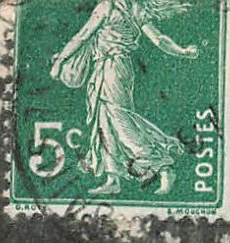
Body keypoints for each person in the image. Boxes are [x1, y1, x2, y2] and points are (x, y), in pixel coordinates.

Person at [49, 0, 198, 196]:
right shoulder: (136, 9)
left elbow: (83, 35)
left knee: (120, 122)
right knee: (104, 122)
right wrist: (183, 52)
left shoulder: (107, 7)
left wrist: (59, 61)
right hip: (113, 68)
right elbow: (159, 39)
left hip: (112, 68)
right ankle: (113, 178)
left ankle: (163, 167)